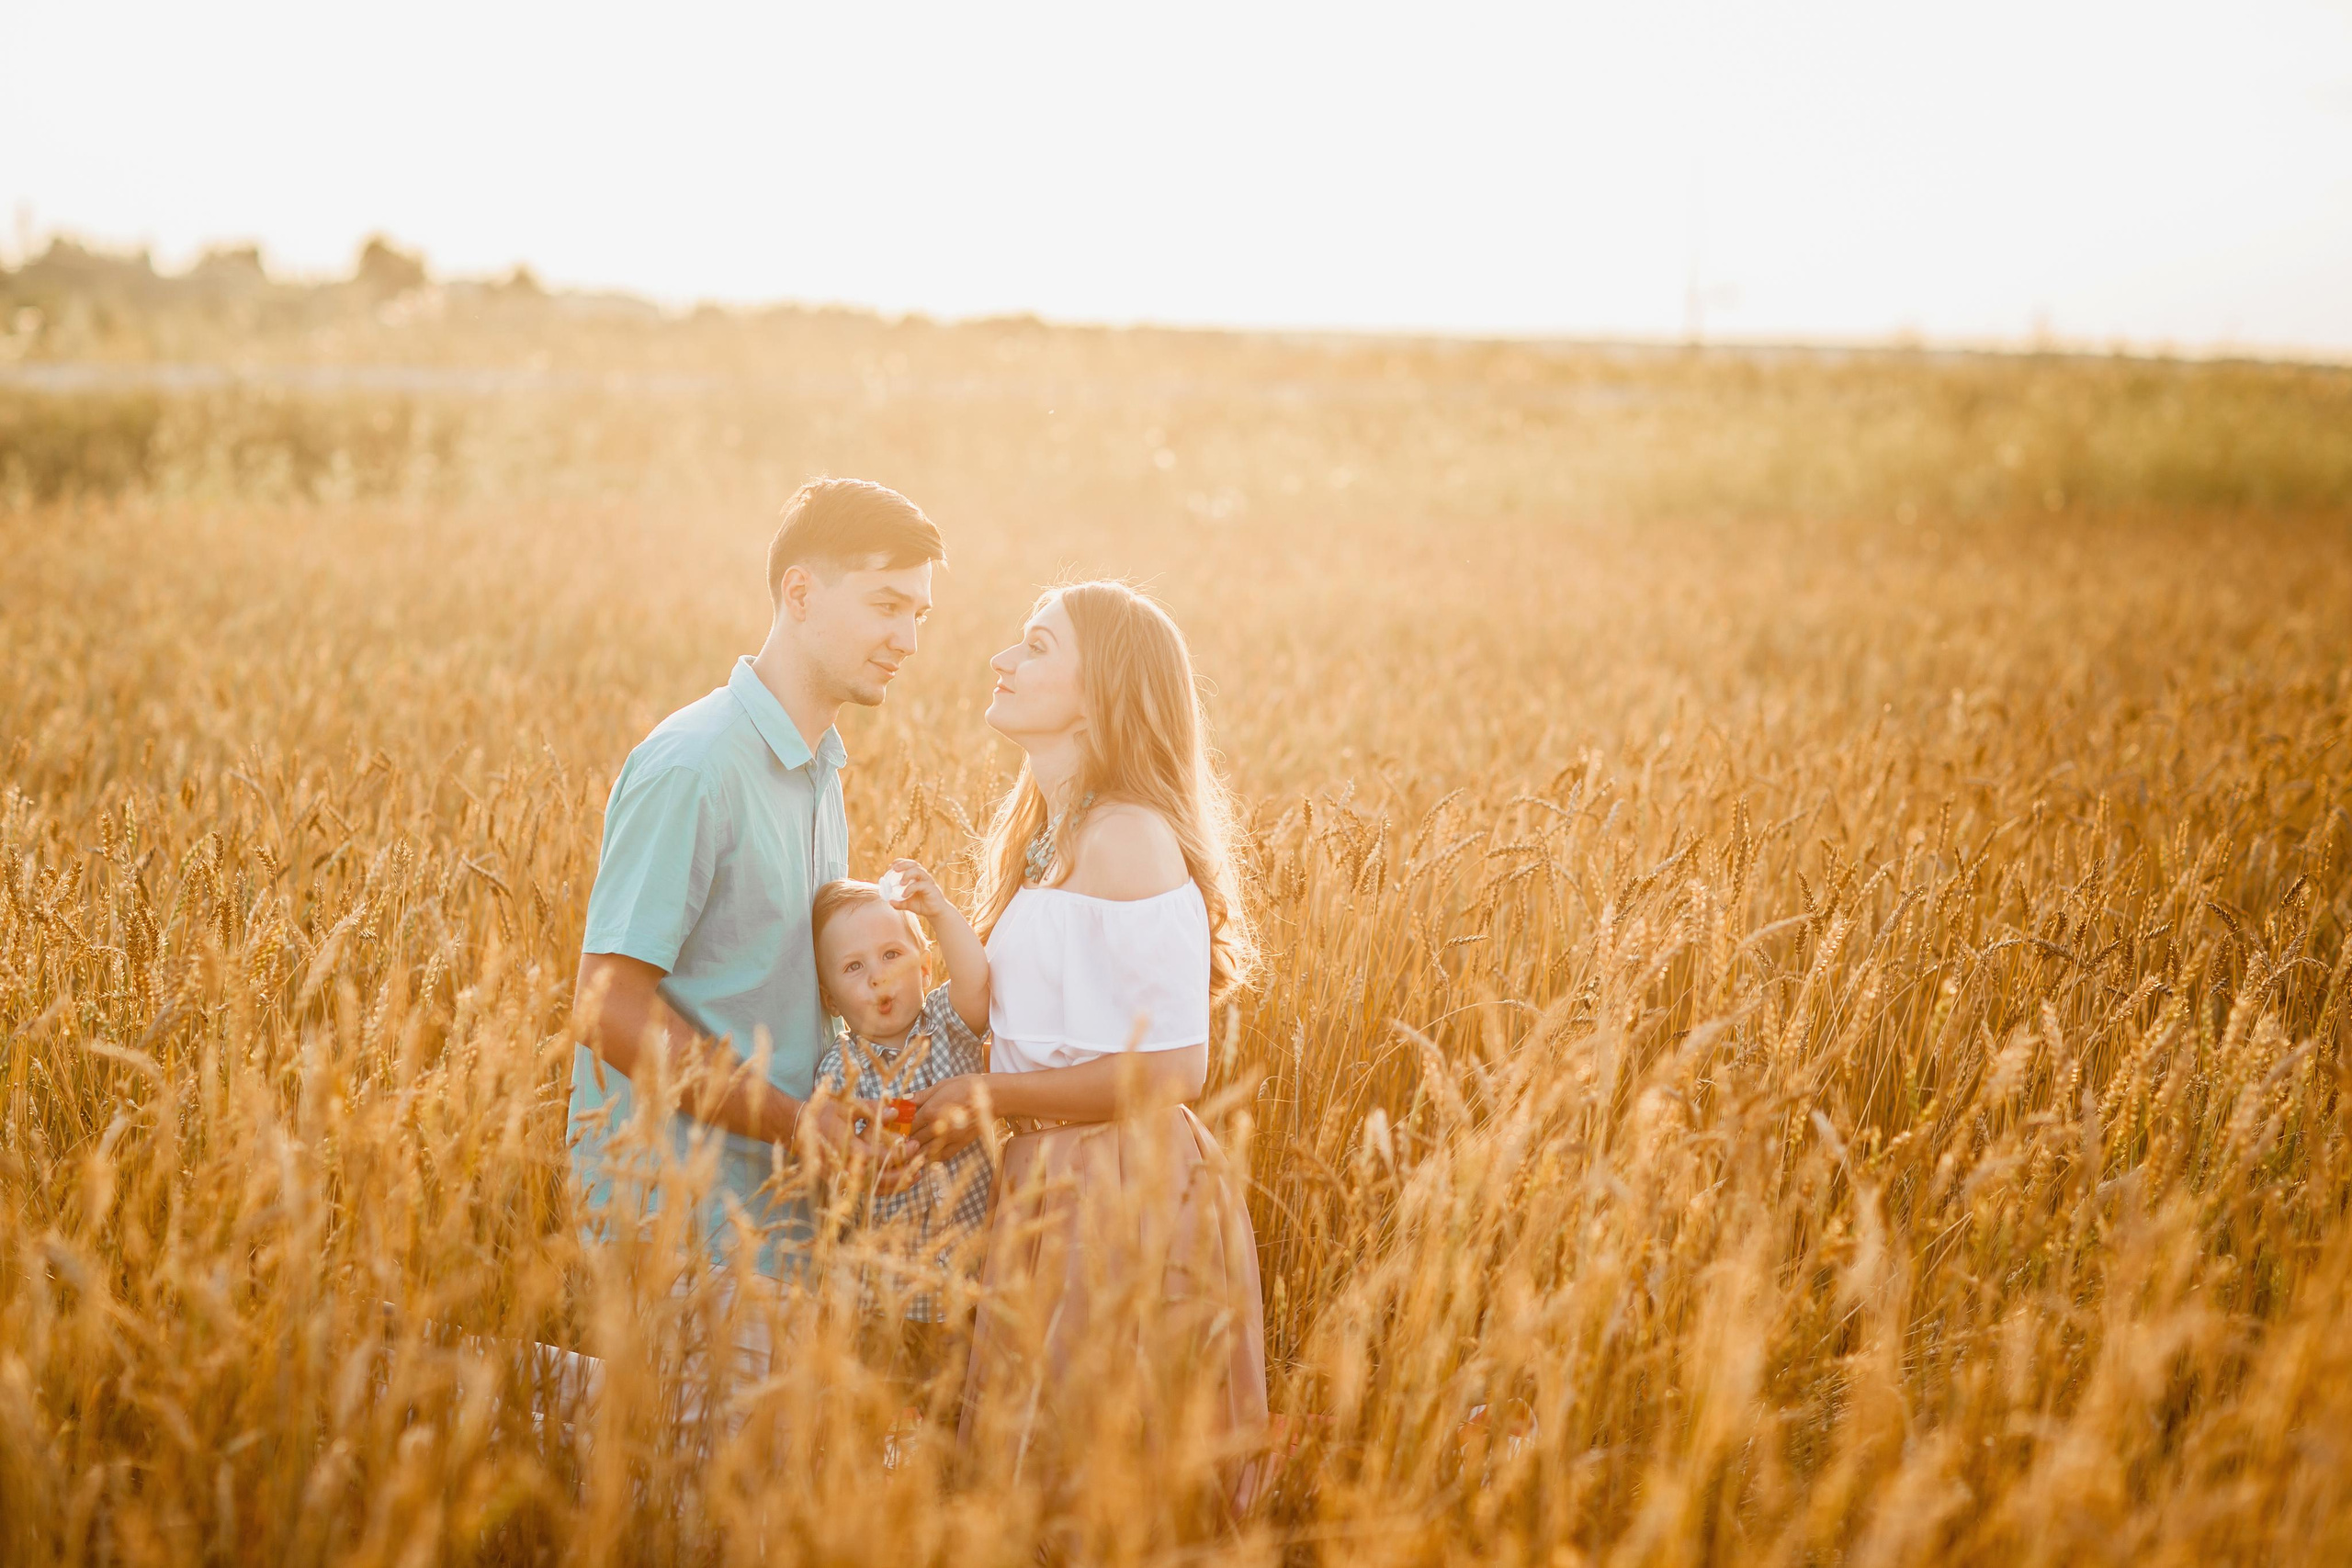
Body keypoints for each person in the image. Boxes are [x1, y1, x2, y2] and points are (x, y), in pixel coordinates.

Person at [907, 580, 1268, 1507]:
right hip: (1055, 1179)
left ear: (1103, 689)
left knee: (1097, 1491)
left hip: (1121, 1186)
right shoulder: (1050, 836)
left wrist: (988, 1101)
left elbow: (1176, 1069)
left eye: (1035, 646)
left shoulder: (1130, 839)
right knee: (1039, 1479)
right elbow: (1018, 1024)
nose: (1003, 660)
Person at [568, 478, 942, 1303]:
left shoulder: (821, 773)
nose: (908, 638)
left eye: (920, 614)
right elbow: (606, 1003)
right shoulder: (695, 764)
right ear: (799, 593)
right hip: (678, 1224)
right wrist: (796, 1124)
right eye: (887, 604)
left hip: (776, 1227)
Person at [807, 864, 994, 1386]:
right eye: (853, 967)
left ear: (926, 966)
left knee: (963, 1421)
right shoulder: (837, 1073)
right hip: (884, 1301)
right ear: (828, 999)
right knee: (888, 1430)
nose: (877, 977)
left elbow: (978, 983)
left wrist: (937, 910)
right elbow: (830, 1168)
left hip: (973, 1281)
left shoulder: (948, 1026)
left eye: (892, 955)